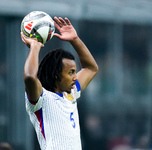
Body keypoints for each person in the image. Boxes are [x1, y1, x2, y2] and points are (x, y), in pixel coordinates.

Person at [21, 16, 98, 150]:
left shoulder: (71, 95)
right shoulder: (41, 99)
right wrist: (34, 47)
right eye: (71, 72)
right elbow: (29, 77)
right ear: (56, 74)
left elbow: (91, 68)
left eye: (75, 72)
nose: (75, 77)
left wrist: (75, 40)